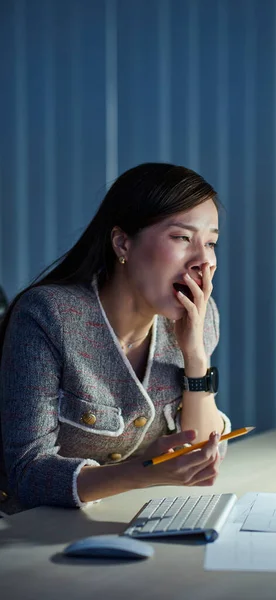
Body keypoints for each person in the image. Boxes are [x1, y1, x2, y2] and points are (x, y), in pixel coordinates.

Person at [0, 163, 230, 515]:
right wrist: (142, 474)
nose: (204, 261)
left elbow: (199, 456)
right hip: (25, 530)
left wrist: (195, 355)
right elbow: (27, 473)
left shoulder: (200, 318)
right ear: (123, 242)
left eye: (211, 242)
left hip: (120, 515)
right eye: (183, 238)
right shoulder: (47, 315)